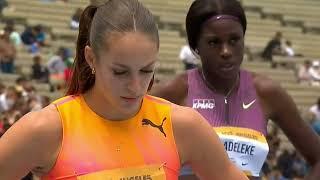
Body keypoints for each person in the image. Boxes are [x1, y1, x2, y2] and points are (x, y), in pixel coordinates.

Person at [0, 1, 248, 179]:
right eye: (120, 72)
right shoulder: (47, 130)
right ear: (91, 58)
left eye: (146, 70)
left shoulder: (182, 126)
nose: (136, 86)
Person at [150, 0, 320, 179]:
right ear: (195, 47)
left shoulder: (266, 92)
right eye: (214, 42)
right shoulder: (173, 92)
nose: (226, 51)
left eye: (234, 40)